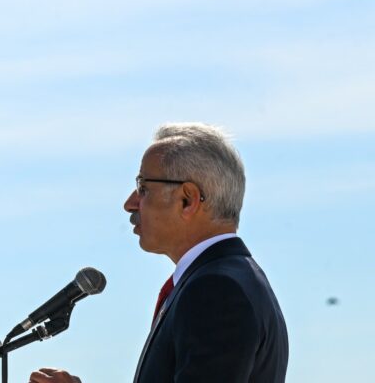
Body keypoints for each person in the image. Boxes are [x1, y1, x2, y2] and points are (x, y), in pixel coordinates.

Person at [30, 123, 288, 383]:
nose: (130, 203)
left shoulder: (217, 289)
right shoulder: (233, 279)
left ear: (187, 199)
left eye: (143, 188)